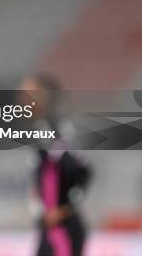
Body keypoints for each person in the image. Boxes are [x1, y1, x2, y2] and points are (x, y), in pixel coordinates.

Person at [19, 74, 92, 256]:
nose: (21, 96)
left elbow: (80, 170)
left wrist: (63, 209)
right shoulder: (40, 128)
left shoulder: (51, 130)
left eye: (28, 91)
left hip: (61, 228)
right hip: (51, 228)